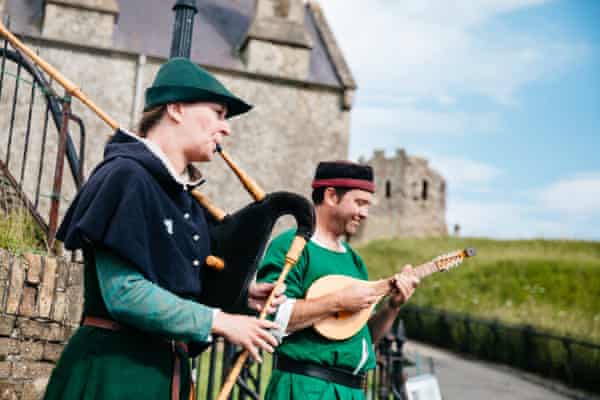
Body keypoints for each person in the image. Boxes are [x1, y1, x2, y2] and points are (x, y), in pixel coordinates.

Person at [43, 58, 282, 400]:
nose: (226, 128)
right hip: (114, 375)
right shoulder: (125, 176)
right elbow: (125, 293)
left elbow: (177, 290)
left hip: (166, 375)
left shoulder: (186, 201)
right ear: (176, 109)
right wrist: (220, 321)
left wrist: (241, 297)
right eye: (218, 113)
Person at [257, 161, 420, 400]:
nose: (365, 213)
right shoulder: (291, 245)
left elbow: (361, 336)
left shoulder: (355, 262)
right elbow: (271, 318)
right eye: (360, 203)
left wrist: (392, 307)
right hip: (306, 389)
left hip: (351, 392)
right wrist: (338, 301)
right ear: (331, 196)